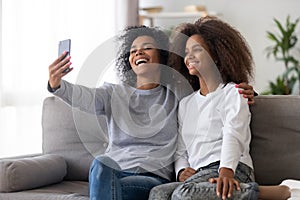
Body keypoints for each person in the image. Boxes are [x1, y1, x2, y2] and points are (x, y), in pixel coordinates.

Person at [47, 25, 255, 200]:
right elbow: (83, 97)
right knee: (101, 165)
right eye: (133, 50)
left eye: (147, 48)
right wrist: (57, 85)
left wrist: (248, 91)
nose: (138, 52)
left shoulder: (176, 96)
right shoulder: (113, 94)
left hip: (151, 179)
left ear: (161, 57)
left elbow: (213, 95)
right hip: (113, 175)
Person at [149, 16, 296, 200]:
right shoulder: (186, 104)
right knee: (158, 193)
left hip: (234, 168)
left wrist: (226, 171)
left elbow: (233, 132)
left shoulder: (233, 92)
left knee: (182, 195)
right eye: (186, 52)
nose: (189, 57)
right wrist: (181, 171)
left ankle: (281, 192)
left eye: (197, 50)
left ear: (217, 56)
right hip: (198, 174)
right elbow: (181, 148)